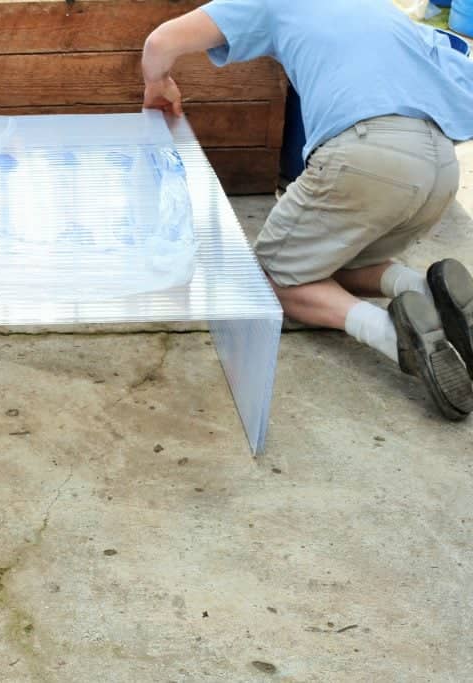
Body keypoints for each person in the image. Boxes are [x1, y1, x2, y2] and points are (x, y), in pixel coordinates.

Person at [142, 0, 473, 420]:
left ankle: (395, 337)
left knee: (269, 281)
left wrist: (158, 85)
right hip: (440, 165)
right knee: (325, 263)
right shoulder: (377, 8)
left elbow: (161, 42)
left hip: (367, 154)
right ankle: (426, 291)